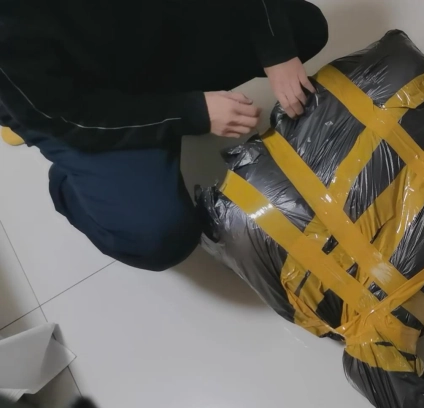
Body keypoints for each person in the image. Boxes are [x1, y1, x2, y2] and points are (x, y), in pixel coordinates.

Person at [0, 0, 328, 271]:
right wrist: (192, 113)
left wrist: (276, 51)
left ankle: (163, 106)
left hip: (143, 37)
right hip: (73, 106)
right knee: (157, 238)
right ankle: (72, 183)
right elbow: (66, 117)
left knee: (299, 28)